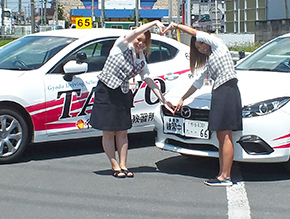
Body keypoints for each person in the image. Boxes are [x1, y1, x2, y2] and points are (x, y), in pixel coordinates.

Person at [164, 22, 242, 187]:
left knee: (225, 135)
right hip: (220, 92)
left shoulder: (218, 44)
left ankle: (225, 176)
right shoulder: (211, 60)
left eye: (200, 44)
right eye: (197, 48)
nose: (200, 48)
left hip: (227, 89)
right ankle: (222, 174)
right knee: (221, 135)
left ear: (206, 39)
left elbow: (194, 32)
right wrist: (182, 98)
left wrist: (176, 26)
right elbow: (197, 83)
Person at [90, 20, 169, 179]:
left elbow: (148, 79)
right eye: (138, 39)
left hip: (122, 92)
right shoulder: (121, 45)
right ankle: (115, 165)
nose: (140, 43)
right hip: (106, 90)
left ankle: (124, 164)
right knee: (109, 131)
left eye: (144, 42)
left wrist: (163, 99)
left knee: (123, 131)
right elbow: (132, 34)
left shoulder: (141, 58)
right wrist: (154, 23)